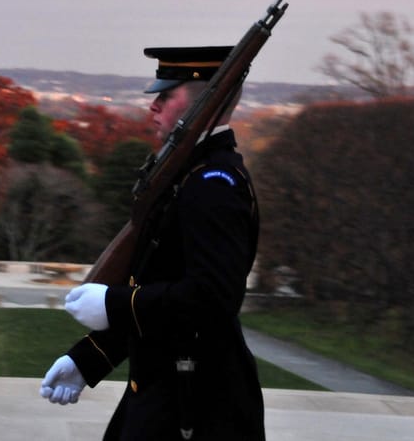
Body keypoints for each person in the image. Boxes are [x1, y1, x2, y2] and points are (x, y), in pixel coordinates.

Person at [40, 46, 266, 440]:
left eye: (166, 95)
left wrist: (113, 304)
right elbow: (162, 292)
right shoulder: (189, 175)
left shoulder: (213, 185)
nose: (154, 105)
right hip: (170, 393)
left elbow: (211, 299)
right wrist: (89, 359)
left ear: (206, 102)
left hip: (198, 407)